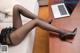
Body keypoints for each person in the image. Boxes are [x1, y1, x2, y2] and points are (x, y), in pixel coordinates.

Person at [0, 5, 77, 46]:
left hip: (10, 31)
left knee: (16, 7)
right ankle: (63, 32)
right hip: (9, 38)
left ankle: (45, 21)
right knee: (35, 22)